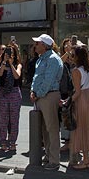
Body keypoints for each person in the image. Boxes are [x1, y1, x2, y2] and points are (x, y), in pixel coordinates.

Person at [30, 33, 63, 170]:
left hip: (48, 96)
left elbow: (48, 81)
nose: (35, 45)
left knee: (52, 128)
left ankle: (54, 160)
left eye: (37, 43)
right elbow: (36, 78)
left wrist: (37, 93)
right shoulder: (41, 59)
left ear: (44, 45)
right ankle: (49, 155)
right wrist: (33, 91)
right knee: (44, 129)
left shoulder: (52, 59)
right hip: (41, 96)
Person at [67, 45, 89, 169]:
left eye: (73, 55)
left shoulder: (75, 71)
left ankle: (85, 160)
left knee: (81, 128)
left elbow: (77, 92)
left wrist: (67, 102)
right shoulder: (88, 68)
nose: (71, 57)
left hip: (81, 100)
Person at [0, 43, 23, 152]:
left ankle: (12, 142)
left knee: (14, 120)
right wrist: (4, 62)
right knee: (3, 119)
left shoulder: (18, 64)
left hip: (15, 93)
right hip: (3, 93)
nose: (9, 55)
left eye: (11, 53)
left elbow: (17, 75)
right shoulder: (1, 64)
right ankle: (3, 141)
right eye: (7, 53)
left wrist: (11, 64)